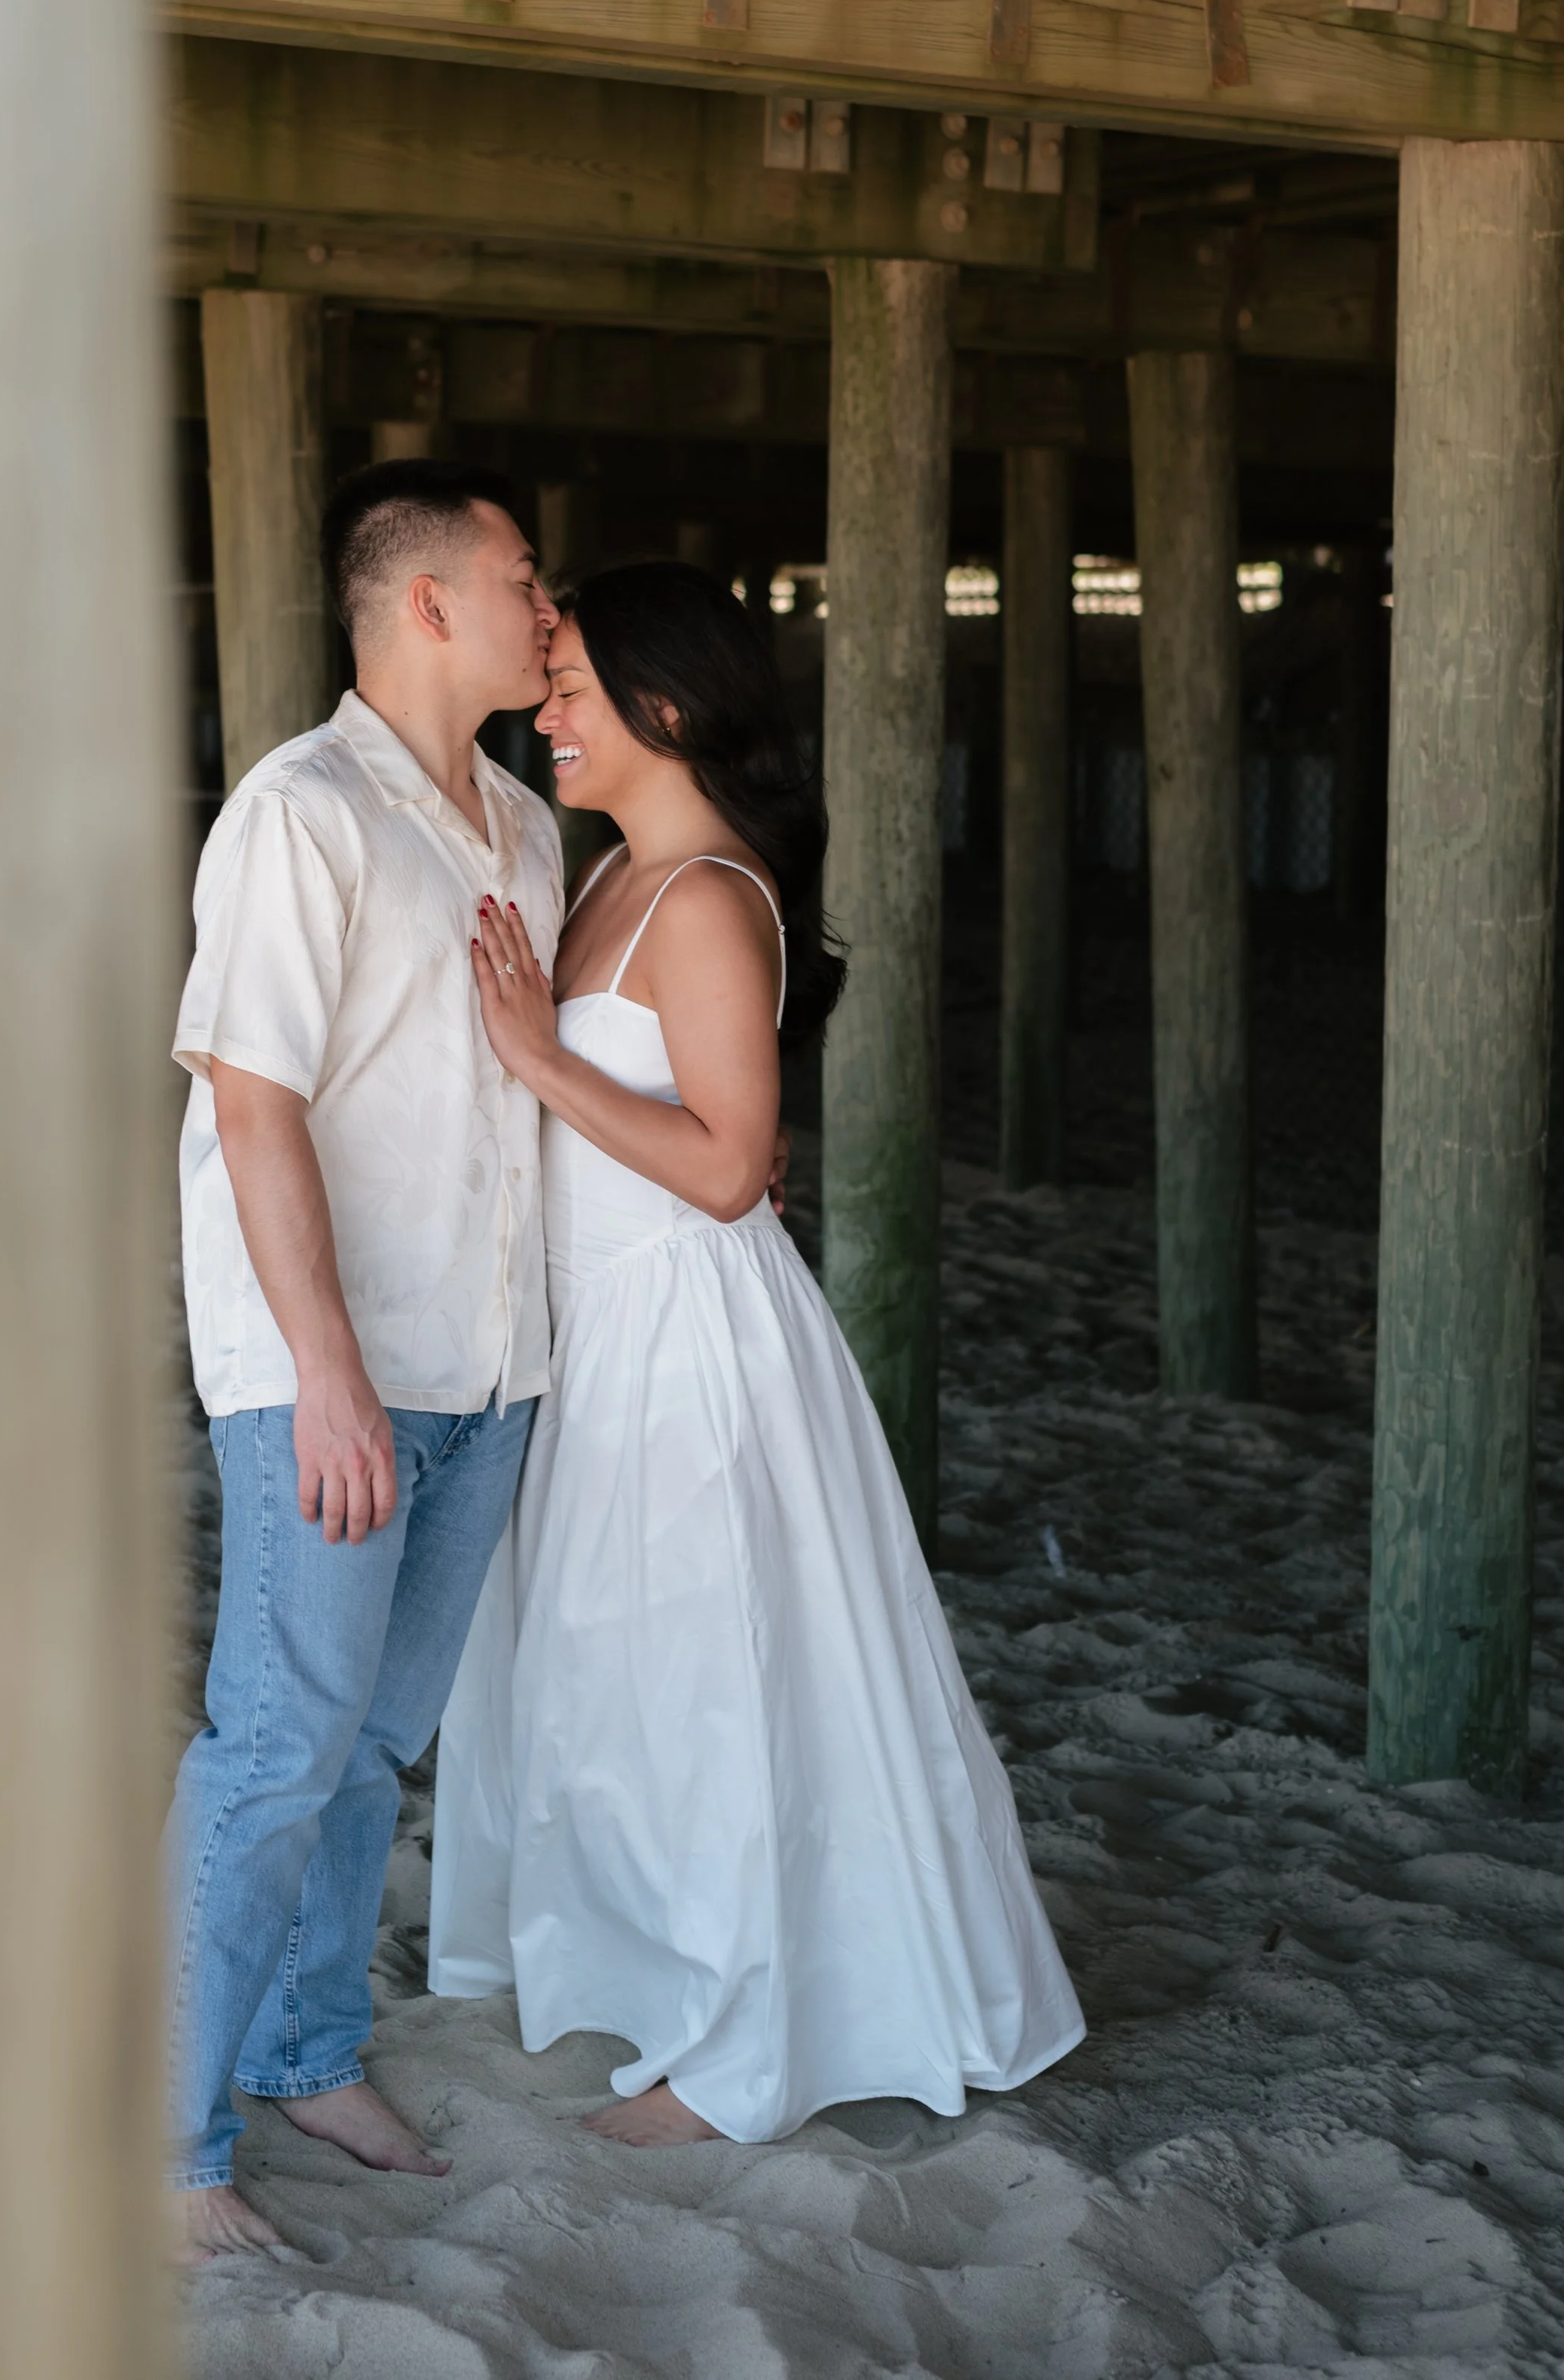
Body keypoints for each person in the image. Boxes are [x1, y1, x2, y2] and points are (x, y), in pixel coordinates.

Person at [429, 560, 1084, 2146]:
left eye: (574, 685)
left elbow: (728, 1164)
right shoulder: (604, 881)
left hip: (679, 1329)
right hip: (591, 1328)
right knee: (606, 1681)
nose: (549, 711)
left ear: (665, 706)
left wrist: (529, 1056)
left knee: (702, 1685)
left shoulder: (708, 895)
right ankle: (650, 1973)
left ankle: (737, 2034)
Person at [166, 460, 564, 2257]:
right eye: (522, 580)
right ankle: (163, 2142)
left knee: (371, 1747)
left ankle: (308, 2050)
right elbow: (253, 1103)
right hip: (331, 1370)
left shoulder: (525, 822)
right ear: (427, 603)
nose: (545, 613)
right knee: (273, 1751)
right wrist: (323, 1372)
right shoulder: (298, 812)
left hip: (487, 1367)